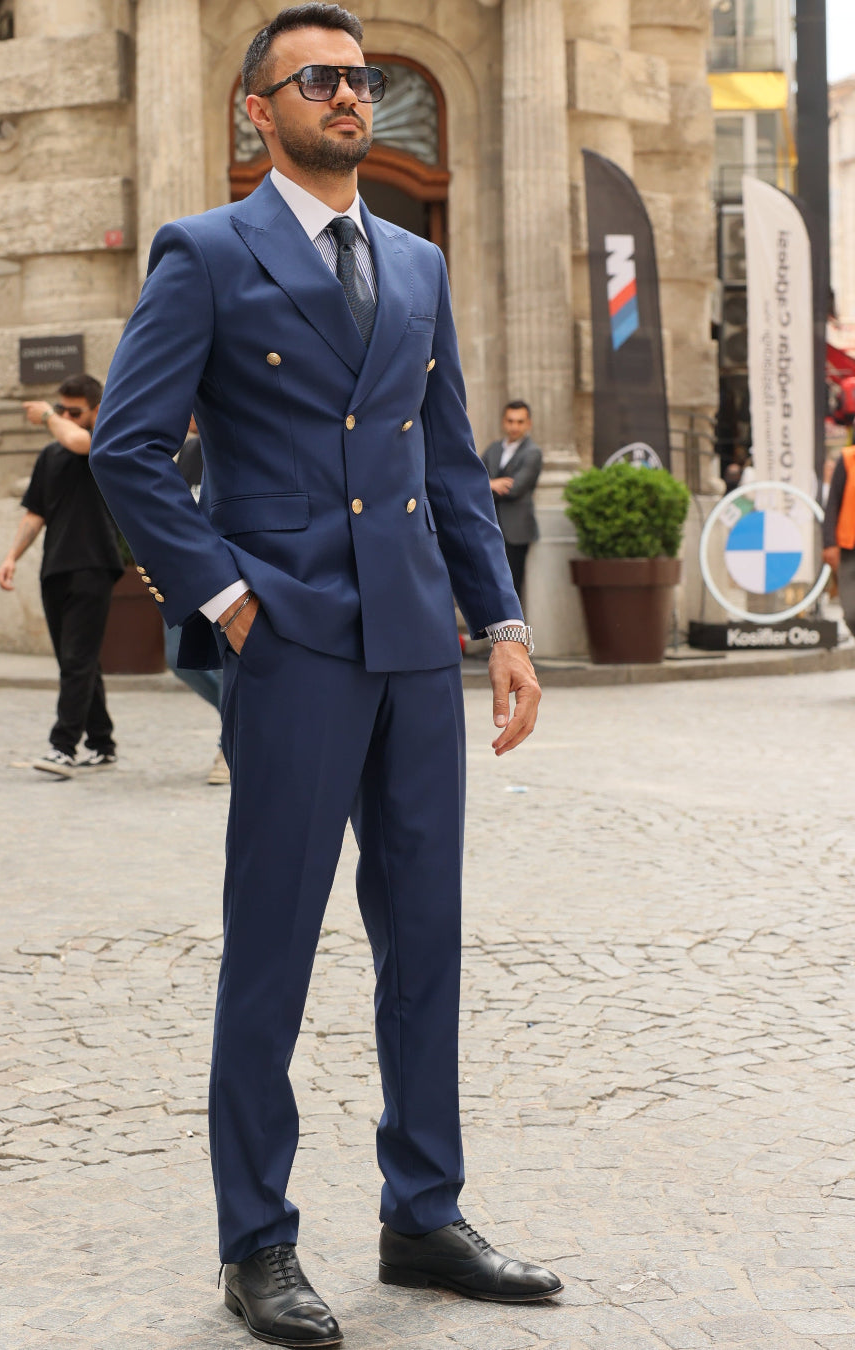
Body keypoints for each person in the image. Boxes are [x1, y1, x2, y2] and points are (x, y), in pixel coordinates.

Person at [90, 6, 558, 1345]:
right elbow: (130, 448)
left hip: (416, 643)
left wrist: (506, 622)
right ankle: (257, 1238)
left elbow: (449, 461)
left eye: (360, 79)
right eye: (320, 80)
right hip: (292, 641)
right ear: (261, 108)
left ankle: (424, 1210)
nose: (351, 97)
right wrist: (228, 597)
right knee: (276, 944)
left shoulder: (414, 263)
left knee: (424, 937)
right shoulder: (206, 252)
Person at [0, 374, 123, 779]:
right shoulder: (50, 456)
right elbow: (36, 513)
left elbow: (79, 441)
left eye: (75, 411)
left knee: (76, 660)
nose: (66, 417)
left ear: (96, 411)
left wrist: (50, 415)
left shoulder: (102, 442)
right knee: (78, 661)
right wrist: (12, 556)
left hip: (93, 564)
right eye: (62, 408)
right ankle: (102, 742)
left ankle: (63, 747)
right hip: (56, 567)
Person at [169, 418, 229, 785]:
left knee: (227, 666)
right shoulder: (190, 451)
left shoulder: (231, 443)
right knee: (179, 659)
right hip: (188, 575)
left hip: (229, 574)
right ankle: (243, 718)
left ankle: (229, 745)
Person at [481, 400, 542, 605]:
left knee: (512, 588)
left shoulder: (532, 452)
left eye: (520, 421)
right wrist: (490, 484)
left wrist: (485, 485)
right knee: (491, 585)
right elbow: (473, 479)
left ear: (528, 424)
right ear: (503, 422)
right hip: (490, 526)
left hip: (515, 531)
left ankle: (513, 636)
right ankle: (495, 636)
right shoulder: (493, 449)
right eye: (510, 421)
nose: (514, 426)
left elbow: (514, 489)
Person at [823, 443, 855, 636]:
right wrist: (829, 543)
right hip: (849, 547)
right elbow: (833, 501)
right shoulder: (848, 457)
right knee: (851, 612)